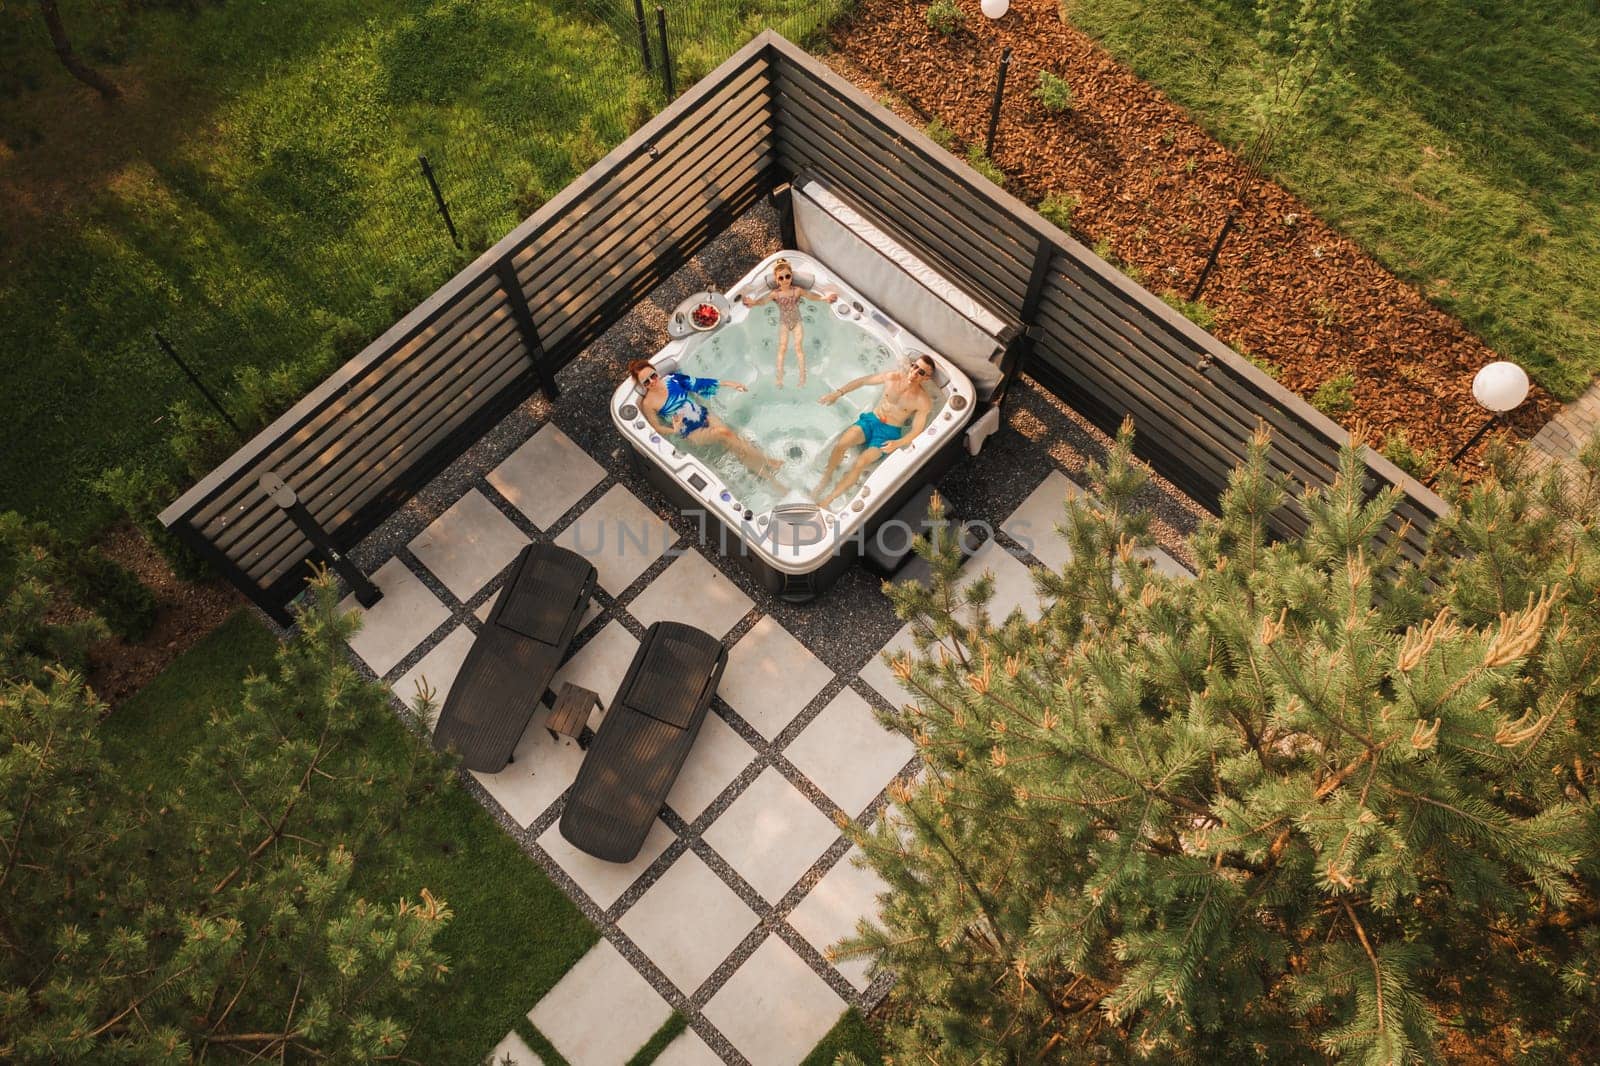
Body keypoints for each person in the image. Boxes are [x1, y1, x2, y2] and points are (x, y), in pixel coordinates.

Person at [812, 354, 937, 509]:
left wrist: (897, 443)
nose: (915, 372)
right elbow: (863, 381)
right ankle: (826, 478)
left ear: (926, 378)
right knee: (841, 444)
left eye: (921, 372)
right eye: (915, 366)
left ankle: (828, 500)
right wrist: (837, 393)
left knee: (860, 463)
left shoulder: (923, 401)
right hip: (871, 420)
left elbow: (917, 430)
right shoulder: (893, 377)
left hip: (888, 434)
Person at [628, 359, 781, 480]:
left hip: (703, 414)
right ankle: (767, 460)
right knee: (725, 433)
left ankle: (767, 476)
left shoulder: (672, 380)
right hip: (691, 431)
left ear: (656, 371)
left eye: (653, 376)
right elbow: (657, 428)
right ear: (642, 385)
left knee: (733, 442)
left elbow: (699, 383)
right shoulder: (648, 403)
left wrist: (730, 383)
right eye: (646, 382)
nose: (652, 382)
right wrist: (674, 430)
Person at [740, 257, 838, 388]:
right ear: (776, 280)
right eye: (781, 278)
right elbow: (763, 302)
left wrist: (825, 298)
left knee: (798, 348)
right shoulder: (775, 294)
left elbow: (812, 297)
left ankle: (803, 377)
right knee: (782, 349)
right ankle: (779, 378)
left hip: (797, 322)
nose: (785, 280)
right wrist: (753, 303)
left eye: (787, 276)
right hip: (784, 323)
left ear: (791, 276)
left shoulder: (797, 291)